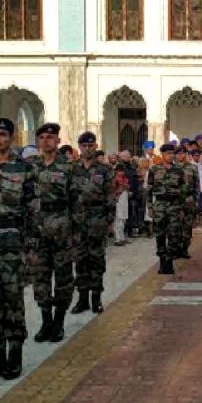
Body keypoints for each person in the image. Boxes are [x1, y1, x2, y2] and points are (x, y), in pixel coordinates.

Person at [0, 117, 39, 381]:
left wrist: (32, 247)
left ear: (11, 137)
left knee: (13, 299)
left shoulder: (23, 168)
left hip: (13, 241)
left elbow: (34, 211)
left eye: (2, 134)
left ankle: (15, 354)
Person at [29, 123, 77, 343]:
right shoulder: (29, 166)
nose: (46, 140)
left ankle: (59, 321)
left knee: (63, 278)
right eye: (42, 137)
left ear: (58, 141)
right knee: (40, 278)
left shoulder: (69, 167)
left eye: (50, 137)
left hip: (62, 230)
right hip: (37, 231)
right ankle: (45, 320)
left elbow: (78, 203)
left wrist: (76, 233)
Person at [71, 132, 115, 314]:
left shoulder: (105, 170)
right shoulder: (72, 169)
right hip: (77, 220)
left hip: (97, 219)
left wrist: (109, 221)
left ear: (95, 146)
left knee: (96, 260)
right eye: (84, 146)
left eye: (90, 146)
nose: (87, 149)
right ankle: (82, 299)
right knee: (80, 260)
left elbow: (110, 197)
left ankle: (96, 298)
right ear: (79, 147)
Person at [148, 144, 186, 274]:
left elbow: (182, 190)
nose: (171, 156)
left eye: (172, 153)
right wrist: (149, 207)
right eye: (168, 153)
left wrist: (181, 208)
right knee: (159, 234)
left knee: (173, 235)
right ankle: (162, 262)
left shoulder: (179, 170)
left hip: (174, 206)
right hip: (159, 205)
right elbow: (149, 190)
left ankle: (169, 262)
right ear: (162, 154)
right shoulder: (154, 169)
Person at [175, 146, 198, 258]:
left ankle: (184, 249)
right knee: (174, 227)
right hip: (175, 202)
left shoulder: (192, 168)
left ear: (186, 154)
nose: (181, 155)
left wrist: (196, 201)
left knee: (187, 227)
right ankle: (176, 249)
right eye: (178, 154)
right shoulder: (170, 168)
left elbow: (196, 186)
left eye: (183, 153)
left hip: (188, 201)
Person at [117, 150, 140, 237]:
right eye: (125, 156)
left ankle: (130, 230)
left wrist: (133, 191)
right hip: (122, 193)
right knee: (121, 213)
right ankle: (121, 232)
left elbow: (135, 180)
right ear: (121, 157)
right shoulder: (119, 167)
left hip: (132, 192)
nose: (127, 158)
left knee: (131, 211)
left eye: (128, 156)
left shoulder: (132, 167)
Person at [113, 151, 132, 246]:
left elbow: (127, 187)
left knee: (123, 219)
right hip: (118, 199)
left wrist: (126, 188)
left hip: (124, 200)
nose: (121, 172)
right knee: (118, 219)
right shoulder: (114, 179)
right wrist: (120, 189)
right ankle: (117, 238)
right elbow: (113, 190)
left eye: (122, 171)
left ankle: (122, 237)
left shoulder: (125, 179)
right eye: (119, 170)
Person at [191, 149, 202, 219]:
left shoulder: (200, 164)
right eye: (195, 156)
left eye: (198, 156)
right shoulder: (191, 165)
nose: (197, 157)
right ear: (192, 156)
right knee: (198, 202)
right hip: (196, 187)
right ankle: (199, 216)